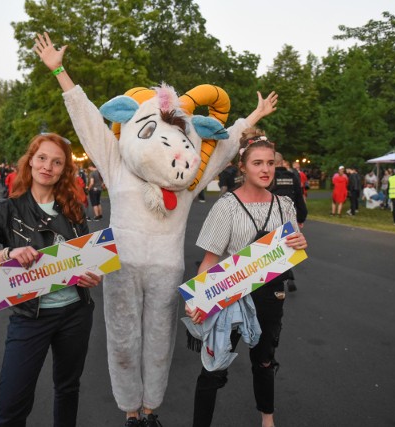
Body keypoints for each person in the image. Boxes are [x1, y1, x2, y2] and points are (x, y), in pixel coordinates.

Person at [34, 31, 279, 427]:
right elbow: (90, 124)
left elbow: (224, 149)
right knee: (123, 340)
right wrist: (60, 71)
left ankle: (150, 409)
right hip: (122, 267)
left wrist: (252, 118)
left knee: (159, 342)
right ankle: (131, 410)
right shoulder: (117, 167)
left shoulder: (187, 186)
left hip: (165, 270)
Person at [0, 133, 102, 427]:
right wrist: (9, 253)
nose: (47, 167)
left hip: (76, 314)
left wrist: (92, 275)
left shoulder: (74, 210)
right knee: (12, 403)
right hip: (30, 317)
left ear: (65, 170)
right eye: (42, 158)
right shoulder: (6, 210)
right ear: (30, 161)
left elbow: (88, 260)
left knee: (67, 388)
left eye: (57, 162)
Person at [185, 130, 307, 427]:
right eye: (257, 163)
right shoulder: (226, 206)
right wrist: (198, 300)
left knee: (264, 361)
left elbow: (289, 250)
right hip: (230, 298)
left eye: (270, 163)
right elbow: (210, 260)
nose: (265, 169)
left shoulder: (284, 206)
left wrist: (300, 243)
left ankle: (268, 420)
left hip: (270, 295)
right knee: (213, 368)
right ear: (243, 167)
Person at [270, 151, 307, 292]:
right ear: (282, 162)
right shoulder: (293, 177)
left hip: (272, 217)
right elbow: (299, 197)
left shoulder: (270, 177)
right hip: (289, 219)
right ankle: (288, 276)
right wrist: (301, 217)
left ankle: (280, 279)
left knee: (273, 251)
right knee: (286, 247)